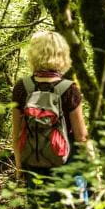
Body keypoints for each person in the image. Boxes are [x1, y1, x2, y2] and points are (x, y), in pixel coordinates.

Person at [11, 31, 89, 191]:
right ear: (62, 55)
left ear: (33, 54)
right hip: (66, 163)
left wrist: (19, 166)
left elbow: (16, 134)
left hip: (33, 162)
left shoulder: (22, 87)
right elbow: (81, 137)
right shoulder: (69, 89)